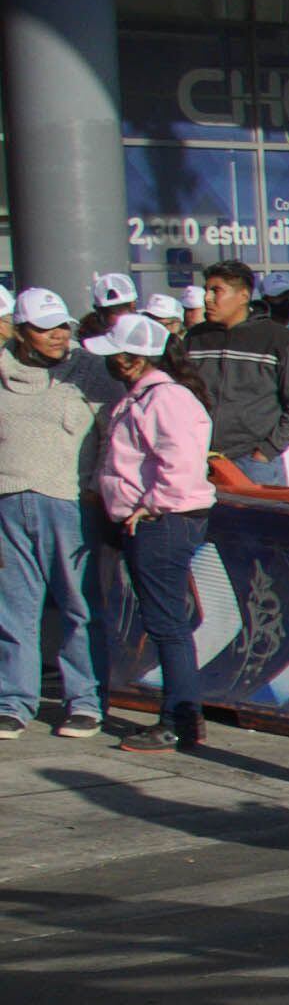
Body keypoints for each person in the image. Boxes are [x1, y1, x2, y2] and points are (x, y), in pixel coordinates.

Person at [88, 314, 215, 754]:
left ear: (130, 360)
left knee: (167, 625)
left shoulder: (165, 399)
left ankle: (178, 719)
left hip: (162, 522)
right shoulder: (149, 397)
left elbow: (179, 464)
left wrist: (149, 506)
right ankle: (181, 716)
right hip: (155, 520)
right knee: (167, 623)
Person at [0, 288, 106, 740]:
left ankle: (84, 701)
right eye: (46, 328)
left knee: (79, 606)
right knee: (13, 609)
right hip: (8, 500)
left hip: (70, 503)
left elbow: (114, 432)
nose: (59, 335)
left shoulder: (90, 370)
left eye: (63, 325)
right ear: (22, 332)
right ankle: (13, 701)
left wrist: (95, 486)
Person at [178, 260, 289, 483]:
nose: (207, 298)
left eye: (216, 291)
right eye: (206, 290)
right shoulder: (194, 339)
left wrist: (266, 451)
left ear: (243, 296)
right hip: (197, 462)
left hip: (253, 466)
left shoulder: (278, 340)